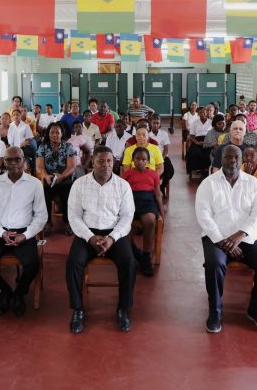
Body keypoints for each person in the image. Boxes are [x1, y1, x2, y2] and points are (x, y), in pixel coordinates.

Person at [195, 145, 257, 333]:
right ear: (220, 159)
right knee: (214, 264)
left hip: (246, 237)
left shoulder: (252, 183)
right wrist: (223, 241)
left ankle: (256, 310)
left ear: (242, 160)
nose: (232, 161)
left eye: (236, 158)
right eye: (228, 157)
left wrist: (240, 235)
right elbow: (203, 216)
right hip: (217, 238)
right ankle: (215, 312)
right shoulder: (208, 184)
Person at [66, 146, 136, 334]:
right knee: (73, 263)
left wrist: (112, 238)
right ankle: (78, 309)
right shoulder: (79, 184)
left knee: (129, 262)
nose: (106, 165)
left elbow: (127, 217)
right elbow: (74, 216)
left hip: (114, 234)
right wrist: (90, 237)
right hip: (87, 233)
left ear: (114, 163)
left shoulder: (123, 186)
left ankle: (123, 308)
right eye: (101, 161)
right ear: (92, 162)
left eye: (109, 161)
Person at [0, 146, 47, 316]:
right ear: (4, 162)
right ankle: (4, 291)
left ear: (24, 161)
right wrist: (1, 232)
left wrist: (25, 235)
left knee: (32, 264)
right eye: (9, 160)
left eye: (18, 159)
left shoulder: (35, 184)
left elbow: (41, 216)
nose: (14, 163)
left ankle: (19, 293)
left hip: (24, 232)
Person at [121, 146, 164, 276]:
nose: (140, 162)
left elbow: (158, 194)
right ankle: (134, 250)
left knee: (150, 221)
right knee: (124, 224)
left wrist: (161, 214)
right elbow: (121, 192)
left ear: (148, 161)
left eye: (143, 159)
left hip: (148, 201)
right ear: (133, 159)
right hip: (131, 201)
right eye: (137, 159)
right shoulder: (127, 174)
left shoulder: (153, 174)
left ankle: (145, 256)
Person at [35, 123, 77, 236]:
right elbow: (39, 167)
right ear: (48, 134)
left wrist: (61, 176)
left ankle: (68, 222)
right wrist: (45, 176)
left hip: (65, 179)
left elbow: (71, 167)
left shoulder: (68, 147)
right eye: (52, 132)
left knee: (68, 196)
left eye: (57, 132)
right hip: (48, 180)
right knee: (43, 196)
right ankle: (48, 222)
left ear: (61, 134)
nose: (54, 135)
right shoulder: (42, 147)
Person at [149, 114, 173, 194]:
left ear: (160, 124)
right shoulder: (148, 135)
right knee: (153, 171)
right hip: (152, 158)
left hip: (163, 157)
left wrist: (161, 160)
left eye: (157, 123)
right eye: (154, 123)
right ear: (151, 123)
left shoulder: (164, 134)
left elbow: (166, 149)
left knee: (170, 171)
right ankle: (156, 187)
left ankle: (162, 186)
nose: (156, 125)